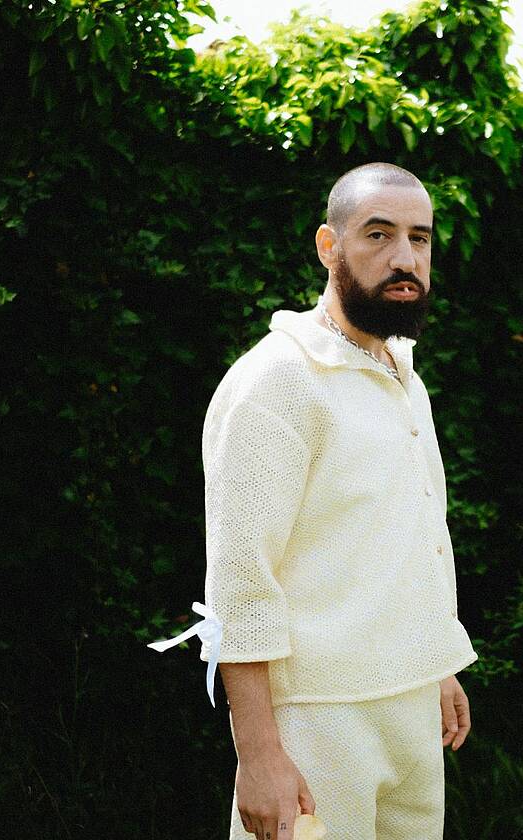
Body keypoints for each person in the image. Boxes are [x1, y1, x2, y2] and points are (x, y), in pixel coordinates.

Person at [202, 162, 478, 840]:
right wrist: (258, 754)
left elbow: (412, 534)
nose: (404, 257)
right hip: (316, 724)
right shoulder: (278, 380)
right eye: (378, 235)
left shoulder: (404, 378)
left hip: (412, 710)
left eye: (419, 238)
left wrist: (434, 661)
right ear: (330, 247)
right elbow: (240, 582)